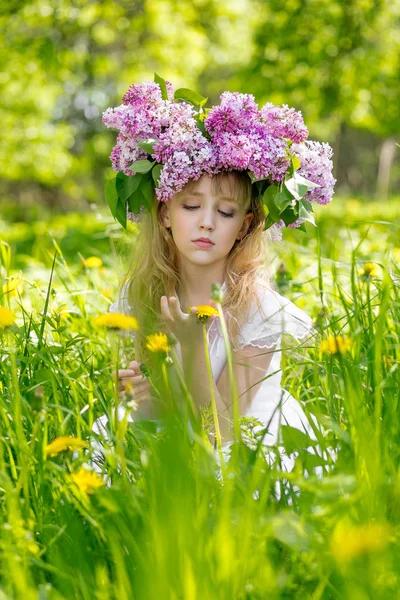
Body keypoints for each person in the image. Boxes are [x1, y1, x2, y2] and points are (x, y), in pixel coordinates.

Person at [92, 76, 336, 474]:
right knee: (117, 440)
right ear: (164, 213)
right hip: (182, 432)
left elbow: (223, 432)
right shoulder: (142, 294)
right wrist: (144, 398)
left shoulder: (258, 309)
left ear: (244, 225)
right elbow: (166, 408)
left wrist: (192, 347)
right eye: (190, 206)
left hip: (247, 441)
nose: (206, 223)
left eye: (225, 212)